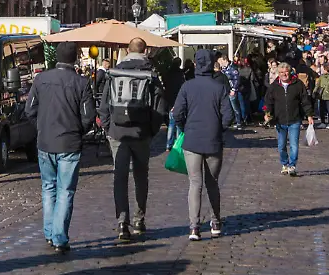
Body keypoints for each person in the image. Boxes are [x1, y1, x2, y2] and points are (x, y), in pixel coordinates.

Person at [29, 42, 97, 254]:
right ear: (75, 59)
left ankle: (50, 233)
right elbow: (88, 117)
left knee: (48, 188)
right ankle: (59, 236)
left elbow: (29, 110)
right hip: (69, 142)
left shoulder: (41, 80)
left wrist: (41, 128)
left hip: (45, 142)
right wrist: (78, 131)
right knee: (65, 190)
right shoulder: (81, 82)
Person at [99, 38, 163, 242]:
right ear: (145, 51)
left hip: (118, 132)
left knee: (119, 177)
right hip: (141, 132)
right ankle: (139, 219)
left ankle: (121, 222)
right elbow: (159, 106)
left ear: (127, 50)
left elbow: (104, 104)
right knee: (141, 175)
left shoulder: (115, 72)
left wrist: (109, 128)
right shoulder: (151, 74)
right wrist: (152, 130)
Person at [171, 49, 236, 241]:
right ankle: (215, 222)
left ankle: (194, 227)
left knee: (195, 183)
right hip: (213, 140)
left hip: (192, 140)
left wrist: (185, 128)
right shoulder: (219, 87)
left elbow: (176, 114)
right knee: (212, 183)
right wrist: (219, 128)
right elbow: (229, 115)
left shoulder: (187, 86)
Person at [264, 62, 314, 176]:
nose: (284, 74)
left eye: (286, 72)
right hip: (279, 120)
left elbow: (305, 101)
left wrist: (309, 115)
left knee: (294, 145)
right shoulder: (274, 86)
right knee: (281, 146)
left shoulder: (298, 84)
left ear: (290, 72)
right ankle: (284, 164)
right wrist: (267, 113)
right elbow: (268, 101)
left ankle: (292, 165)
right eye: (281, 72)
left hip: (294, 119)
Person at [217, 53, 244, 131]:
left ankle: (238, 122)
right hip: (225, 90)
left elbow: (237, 79)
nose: (220, 62)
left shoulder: (232, 68)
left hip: (231, 90)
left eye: (221, 60)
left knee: (235, 107)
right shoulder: (223, 69)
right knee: (227, 107)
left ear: (224, 59)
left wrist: (233, 89)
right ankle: (231, 121)